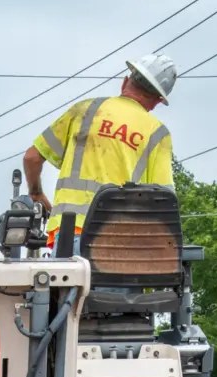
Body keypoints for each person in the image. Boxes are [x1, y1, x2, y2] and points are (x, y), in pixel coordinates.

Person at [23, 54, 177, 254]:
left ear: (125, 81)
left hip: (70, 234)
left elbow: (32, 158)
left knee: (65, 276)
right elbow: (164, 200)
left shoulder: (85, 110)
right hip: (121, 243)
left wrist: (36, 193)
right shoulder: (158, 133)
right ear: (157, 101)